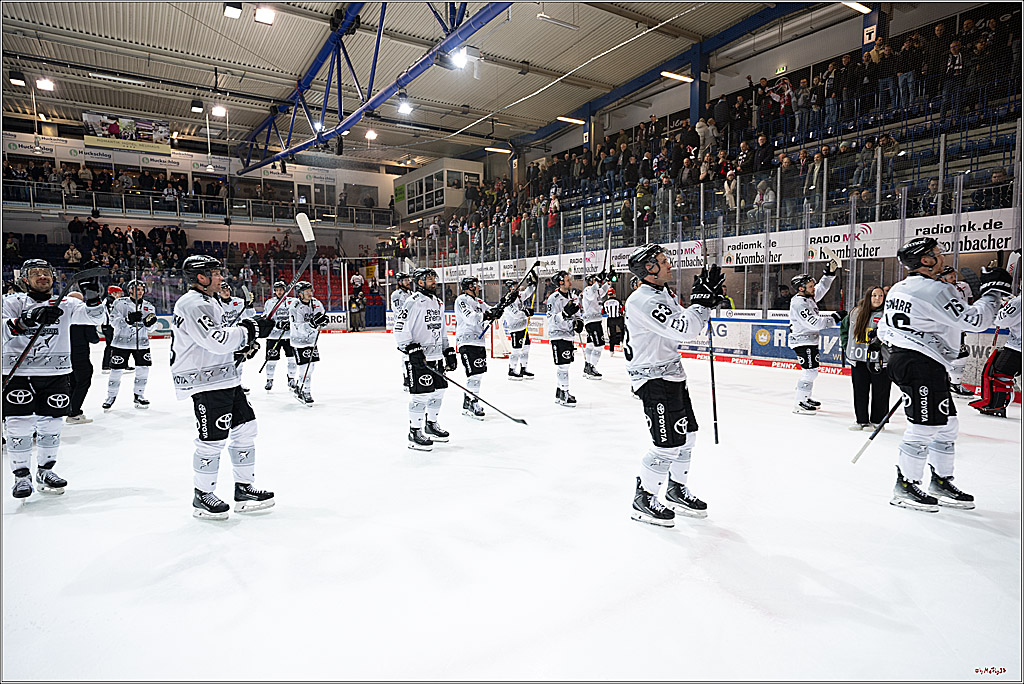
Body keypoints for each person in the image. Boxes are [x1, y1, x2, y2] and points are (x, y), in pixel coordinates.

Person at [878, 237, 1011, 512]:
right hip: (918, 364)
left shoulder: (901, 288)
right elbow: (976, 321)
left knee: (947, 424)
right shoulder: (933, 290)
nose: (942, 257)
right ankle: (905, 485)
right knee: (924, 427)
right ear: (924, 261)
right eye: (936, 254)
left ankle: (939, 480)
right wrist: (992, 293)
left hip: (916, 361)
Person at [624, 244, 724, 527]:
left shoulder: (661, 293)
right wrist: (700, 304)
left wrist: (705, 304)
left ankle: (675, 489)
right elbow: (685, 328)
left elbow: (691, 322)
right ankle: (643, 498)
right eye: (663, 261)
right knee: (666, 444)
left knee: (687, 435)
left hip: (671, 375)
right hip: (653, 378)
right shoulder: (642, 301)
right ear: (650, 269)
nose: (669, 265)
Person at [170, 255, 276, 519]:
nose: (221, 277)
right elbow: (216, 340)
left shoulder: (209, 301)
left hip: (223, 377)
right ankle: (202, 495)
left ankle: (244, 489)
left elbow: (216, 342)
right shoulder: (193, 304)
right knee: (212, 440)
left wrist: (241, 347)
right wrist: (249, 330)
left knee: (246, 427)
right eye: (215, 273)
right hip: (205, 381)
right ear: (201, 277)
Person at [2, 259, 104, 498]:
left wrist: (92, 296)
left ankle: (45, 471)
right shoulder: (11, 302)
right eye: (35, 273)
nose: (42, 277)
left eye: (46, 272)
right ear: (24, 279)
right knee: (19, 426)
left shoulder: (66, 303)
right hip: (19, 373)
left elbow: (96, 319)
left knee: (52, 425)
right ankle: (21, 477)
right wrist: (28, 319)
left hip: (56, 373)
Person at [394, 268, 456, 451]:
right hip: (419, 358)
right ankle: (414, 431)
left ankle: (431, 424)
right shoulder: (412, 302)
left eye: (434, 278)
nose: (433, 281)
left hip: (436, 356)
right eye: (429, 279)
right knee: (420, 395)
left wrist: (448, 349)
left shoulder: (437, 302)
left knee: (439, 391)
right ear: (419, 282)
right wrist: (410, 349)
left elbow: (441, 328)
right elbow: (400, 328)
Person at [788, 257, 844, 414]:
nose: (813, 288)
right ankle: (799, 402)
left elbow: (822, 288)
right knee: (810, 371)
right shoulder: (799, 303)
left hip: (809, 341)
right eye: (810, 286)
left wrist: (829, 274)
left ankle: (805, 398)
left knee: (812, 370)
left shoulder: (808, 297)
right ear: (800, 288)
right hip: (802, 341)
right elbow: (815, 323)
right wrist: (835, 318)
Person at [840, 286, 891, 430]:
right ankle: (861, 420)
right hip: (858, 359)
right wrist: (846, 346)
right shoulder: (855, 312)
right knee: (860, 390)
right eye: (874, 295)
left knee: (881, 391)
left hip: (880, 360)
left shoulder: (888, 314)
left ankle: (877, 421)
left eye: (880, 295)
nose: (877, 298)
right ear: (868, 296)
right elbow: (844, 331)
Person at [102, 279, 157, 411]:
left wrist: (150, 324)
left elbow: (153, 327)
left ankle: (139, 395)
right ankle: (110, 396)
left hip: (142, 343)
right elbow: (113, 322)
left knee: (143, 371)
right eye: (136, 289)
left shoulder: (149, 306)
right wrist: (128, 320)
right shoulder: (120, 303)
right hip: (121, 343)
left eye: (141, 289)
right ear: (130, 290)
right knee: (116, 371)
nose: (139, 292)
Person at [970, 292, 1021, 417]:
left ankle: (996, 406)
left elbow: (1002, 321)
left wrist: (1005, 307)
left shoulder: (1019, 301)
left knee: (999, 374)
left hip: (1017, 346)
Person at [454, 276, 494, 420]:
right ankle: (472, 401)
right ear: (470, 286)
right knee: (474, 373)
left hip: (478, 341)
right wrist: (487, 315)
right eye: (476, 285)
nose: (479, 287)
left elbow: (491, 310)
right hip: (467, 340)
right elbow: (471, 318)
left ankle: (468, 401)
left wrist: (504, 303)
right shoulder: (462, 300)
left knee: (478, 373)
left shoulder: (479, 302)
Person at [545, 270, 583, 407]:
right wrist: (564, 313)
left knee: (566, 365)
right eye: (567, 280)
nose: (570, 282)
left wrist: (579, 322)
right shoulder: (553, 298)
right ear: (561, 282)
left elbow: (577, 314)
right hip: (558, 335)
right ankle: (565, 393)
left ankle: (559, 391)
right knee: (563, 366)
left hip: (569, 335)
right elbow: (551, 319)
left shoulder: (572, 297)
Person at [937, 266, 974, 397]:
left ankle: (955, 384)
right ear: (942, 278)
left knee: (961, 355)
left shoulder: (963, 286)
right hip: (943, 328)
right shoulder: (938, 289)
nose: (954, 279)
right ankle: (947, 383)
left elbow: (969, 302)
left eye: (954, 276)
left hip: (958, 327)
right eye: (950, 277)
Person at [289, 281, 327, 405]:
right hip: (299, 340)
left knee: (311, 367)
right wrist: (312, 324)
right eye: (307, 292)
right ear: (300, 294)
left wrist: (323, 321)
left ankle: (300, 386)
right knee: (305, 367)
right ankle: (306, 391)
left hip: (311, 341)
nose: (310, 293)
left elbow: (320, 317)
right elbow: (298, 327)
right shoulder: (295, 306)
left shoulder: (316, 303)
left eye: (311, 291)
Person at [66, 292, 100, 425]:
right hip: (80, 355)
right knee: (83, 381)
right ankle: (74, 412)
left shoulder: (60, 317)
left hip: (63, 355)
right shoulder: (83, 317)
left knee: (71, 382)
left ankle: (70, 409)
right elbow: (94, 338)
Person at [500, 275, 538, 380]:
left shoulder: (518, 296)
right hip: (515, 329)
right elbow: (515, 314)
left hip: (523, 327)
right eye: (514, 286)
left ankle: (523, 368)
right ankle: (511, 370)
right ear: (509, 288)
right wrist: (526, 312)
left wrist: (532, 284)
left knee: (526, 348)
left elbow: (527, 293)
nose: (517, 287)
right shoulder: (508, 300)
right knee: (516, 350)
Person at [261, 280, 296, 392]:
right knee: (271, 360)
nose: (279, 292)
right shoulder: (269, 303)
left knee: (292, 359)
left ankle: (291, 379)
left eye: (281, 289)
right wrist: (277, 325)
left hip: (289, 336)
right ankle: (269, 380)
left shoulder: (293, 301)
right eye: (277, 290)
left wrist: (291, 324)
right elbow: (267, 318)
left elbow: (297, 316)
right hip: (273, 336)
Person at [581, 271, 612, 379]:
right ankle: (591, 367)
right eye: (594, 280)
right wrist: (598, 281)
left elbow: (603, 290)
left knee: (590, 344)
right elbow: (591, 295)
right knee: (599, 345)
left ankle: (587, 366)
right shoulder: (588, 290)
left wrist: (608, 281)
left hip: (595, 321)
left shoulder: (597, 290)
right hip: (592, 321)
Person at [390, 273, 413, 389]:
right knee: (406, 354)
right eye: (405, 280)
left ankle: (412, 376)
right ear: (399, 282)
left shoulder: (411, 294)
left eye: (408, 280)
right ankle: (407, 379)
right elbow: (400, 312)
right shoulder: (396, 295)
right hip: (402, 328)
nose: (408, 282)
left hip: (412, 327)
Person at [101, 285, 123, 372]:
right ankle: (106, 365)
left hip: (109, 326)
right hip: (109, 326)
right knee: (111, 345)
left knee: (113, 345)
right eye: (119, 293)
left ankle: (114, 363)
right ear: (113, 293)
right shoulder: (110, 301)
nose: (120, 295)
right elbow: (112, 314)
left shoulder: (109, 300)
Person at [603, 288, 624, 355]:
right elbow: (622, 310)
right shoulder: (618, 301)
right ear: (614, 293)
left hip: (610, 319)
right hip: (618, 318)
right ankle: (622, 342)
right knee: (623, 330)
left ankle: (611, 350)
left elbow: (603, 312)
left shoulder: (605, 302)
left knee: (612, 335)